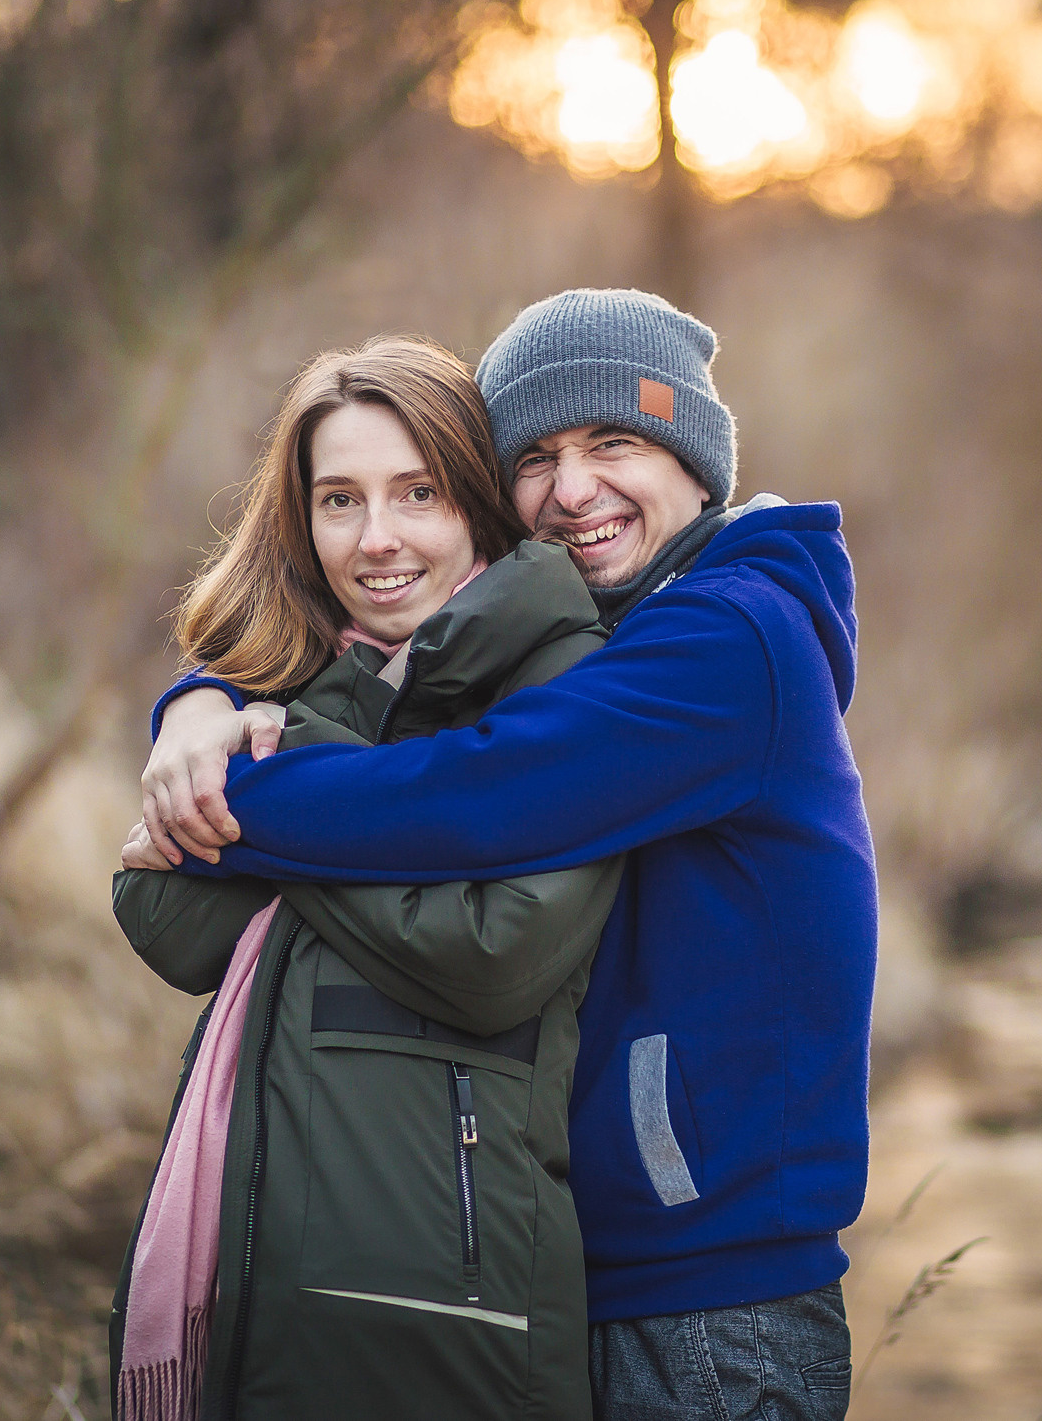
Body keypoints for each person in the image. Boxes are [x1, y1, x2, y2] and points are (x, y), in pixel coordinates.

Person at [142, 290, 877, 1419]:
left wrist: (232, 789)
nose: (571, 489)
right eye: (534, 457)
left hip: (715, 1312)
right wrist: (204, 699)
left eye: (613, 442)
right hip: (608, 1274)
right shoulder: (621, 627)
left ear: (694, 458)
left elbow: (479, 791)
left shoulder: (728, 641)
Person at [109, 336, 619, 1421]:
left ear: (478, 506)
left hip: (463, 1335)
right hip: (267, 1312)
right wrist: (211, 704)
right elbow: (163, 916)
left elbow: (496, 955)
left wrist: (282, 794)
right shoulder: (305, 681)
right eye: (339, 500)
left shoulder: (563, 683)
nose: (376, 539)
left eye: (417, 493)